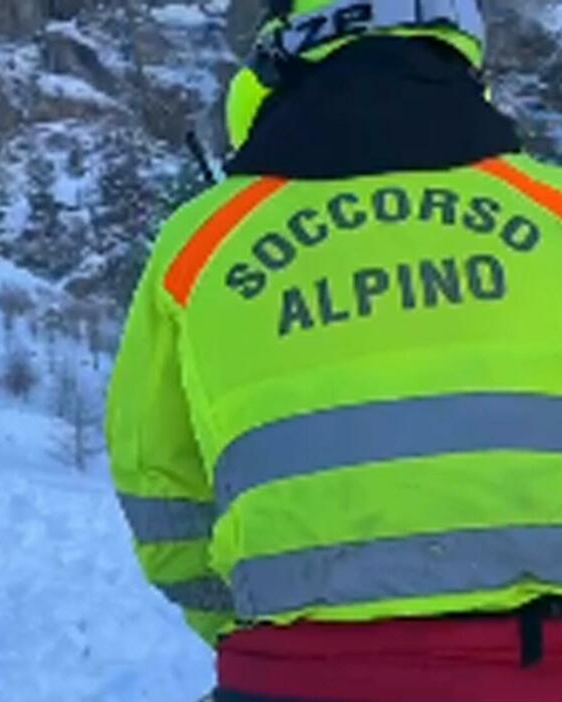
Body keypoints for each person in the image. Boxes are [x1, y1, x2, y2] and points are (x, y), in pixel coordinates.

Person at [105, 1, 562, 700]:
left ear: (277, 59)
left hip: (292, 674)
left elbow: (156, 479)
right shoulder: (552, 209)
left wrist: (243, 625)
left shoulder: (199, 245)